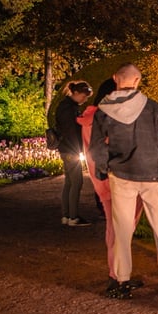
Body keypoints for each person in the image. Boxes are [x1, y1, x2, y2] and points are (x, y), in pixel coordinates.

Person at [90, 63, 158, 299]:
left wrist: (104, 168)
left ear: (115, 78)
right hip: (154, 172)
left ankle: (122, 279)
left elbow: (96, 147)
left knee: (122, 229)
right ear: (137, 81)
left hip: (121, 174)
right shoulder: (154, 108)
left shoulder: (104, 110)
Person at [54, 80, 93, 227]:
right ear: (75, 93)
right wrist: (79, 149)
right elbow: (71, 132)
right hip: (71, 149)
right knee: (77, 182)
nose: (85, 99)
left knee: (69, 182)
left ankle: (66, 215)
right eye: (84, 96)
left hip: (65, 148)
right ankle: (73, 217)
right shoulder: (69, 109)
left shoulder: (65, 106)